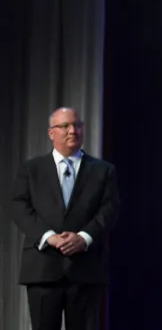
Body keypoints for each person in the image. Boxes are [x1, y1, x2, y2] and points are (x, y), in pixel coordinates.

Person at [6, 107, 120, 330]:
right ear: (51, 133)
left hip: (86, 269)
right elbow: (18, 206)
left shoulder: (103, 170)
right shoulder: (32, 169)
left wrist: (84, 237)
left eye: (77, 125)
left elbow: (110, 209)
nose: (72, 131)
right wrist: (49, 237)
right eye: (65, 126)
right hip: (43, 267)